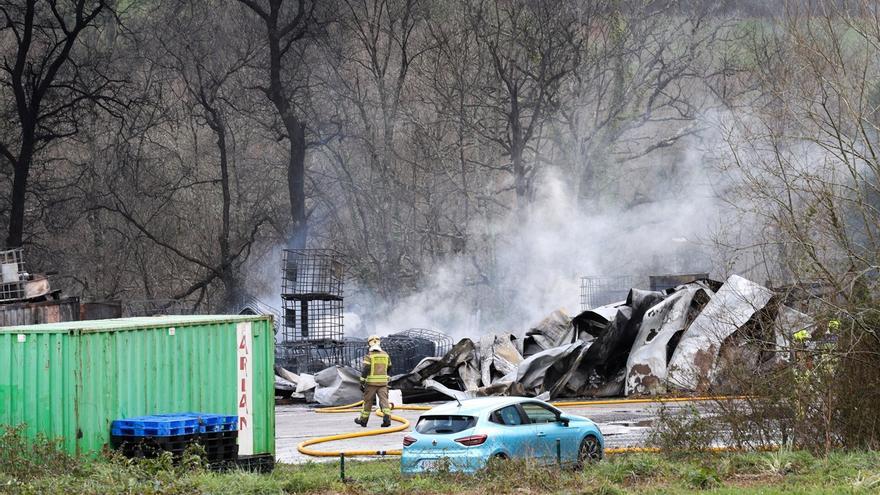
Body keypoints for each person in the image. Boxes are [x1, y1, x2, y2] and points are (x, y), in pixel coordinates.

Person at [355, 335, 392, 428]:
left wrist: (362, 382)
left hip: (371, 384)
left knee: (368, 402)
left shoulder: (369, 356)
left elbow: (365, 369)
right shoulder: (385, 355)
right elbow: (390, 367)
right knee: (384, 401)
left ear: (369, 344)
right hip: (383, 383)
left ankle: (363, 421)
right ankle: (387, 418)